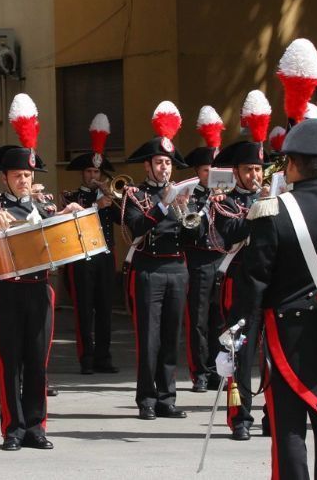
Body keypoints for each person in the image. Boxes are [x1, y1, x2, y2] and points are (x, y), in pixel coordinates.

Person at [218, 119, 317, 479]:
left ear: (293, 165)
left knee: (289, 429)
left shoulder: (272, 211)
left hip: (290, 335)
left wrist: (236, 340)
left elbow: (253, 284)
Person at [0, 93, 82, 451]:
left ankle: (36, 427)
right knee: (10, 363)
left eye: (28, 175)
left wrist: (68, 214)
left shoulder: (44, 205)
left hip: (39, 289)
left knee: (38, 363)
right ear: (5, 178)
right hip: (5, 291)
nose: (24, 181)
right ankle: (12, 429)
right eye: (18, 175)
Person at [122, 101, 193, 421]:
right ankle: (146, 399)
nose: (164, 168)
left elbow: (196, 234)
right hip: (149, 268)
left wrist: (192, 211)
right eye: (158, 163)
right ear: (147, 167)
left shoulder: (180, 194)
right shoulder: (135, 195)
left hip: (177, 269)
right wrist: (163, 207)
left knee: (170, 336)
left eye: (168, 163)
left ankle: (167, 397)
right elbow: (136, 226)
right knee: (149, 338)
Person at [211, 96, 271, 440]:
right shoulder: (226, 202)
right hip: (241, 283)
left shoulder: (272, 198)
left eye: (259, 169)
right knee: (241, 354)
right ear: (236, 172)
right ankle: (240, 418)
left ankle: (271, 414)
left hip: (270, 284)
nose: (255, 175)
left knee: (271, 356)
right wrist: (259, 209)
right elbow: (231, 234)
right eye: (249, 170)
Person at [61, 113, 119, 375]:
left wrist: (114, 197)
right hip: (82, 257)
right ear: (82, 173)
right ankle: (86, 358)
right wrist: (96, 205)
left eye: (97, 171)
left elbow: (120, 220)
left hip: (106, 255)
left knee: (105, 308)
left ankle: (104, 357)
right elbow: (72, 220)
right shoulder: (71, 196)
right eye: (89, 171)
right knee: (84, 310)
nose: (93, 175)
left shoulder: (107, 194)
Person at [182, 106, 225, 393]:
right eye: (207, 171)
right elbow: (189, 227)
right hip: (198, 259)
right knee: (197, 319)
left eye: (214, 170)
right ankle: (199, 371)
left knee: (219, 319)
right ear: (198, 172)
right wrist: (204, 204)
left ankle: (216, 368)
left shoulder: (225, 194)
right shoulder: (189, 195)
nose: (211, 175)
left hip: (220, 258)